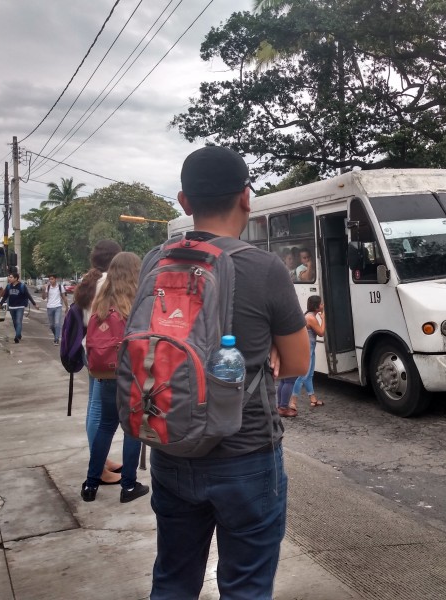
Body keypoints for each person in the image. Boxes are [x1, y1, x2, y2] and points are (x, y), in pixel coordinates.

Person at [148, 145, 309, 599]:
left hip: (170, 446)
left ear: (184, 202)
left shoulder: (154, 261)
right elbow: (296, 363)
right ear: (246, 197)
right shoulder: (263, 267)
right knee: (245, 587)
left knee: (173, 580)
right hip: (246, 452)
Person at [80, 251, 148, 504]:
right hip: (130, 374)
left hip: (105, 372)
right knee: (132, 429)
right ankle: (128, 486)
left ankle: (90, 484)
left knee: (106, 426)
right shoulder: (134, 301)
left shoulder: (100, 300)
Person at [74, 239, 123, 485]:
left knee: (94, 406)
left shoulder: (89, 280)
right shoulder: (107, 283)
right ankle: (99, 468)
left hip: (90, 348)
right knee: (98, 411)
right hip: (103, 350)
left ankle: (101, 460)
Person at [290, 295, 326, 409]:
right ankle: (293, 402)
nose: (322, 305)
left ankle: (313, 399)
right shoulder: (311, 318)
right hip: (306, 350)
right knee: (303, 376)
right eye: (321, 304)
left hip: (310, 348)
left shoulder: (309, 315)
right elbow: (321, 332)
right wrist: (324, 318)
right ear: (316, 307)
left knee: (309, 375)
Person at [0, 270, 38, 343]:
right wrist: (0, 304)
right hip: (11, 307)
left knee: (18, 321)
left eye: (11, 277)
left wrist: (34, 304)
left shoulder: (22, 286)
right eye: (9, 277)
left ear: (16, 278)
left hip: (20, 307)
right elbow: (5, 296)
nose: (9, 279)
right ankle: (19, 334)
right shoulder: (8, 286)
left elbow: (28, 295)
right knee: (14, 322)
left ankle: (16, 337)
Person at [42, 274, 68, 346]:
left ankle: (56, 339)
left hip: (58, 307)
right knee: (52, 325)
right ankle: (56, 335)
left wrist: (67, 307)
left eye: (52, 279)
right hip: (49, 307)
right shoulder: (48, 287)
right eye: (50, 279)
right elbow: (44, 298)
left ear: (55, 279)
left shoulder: (60, 287)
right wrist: (44, 290)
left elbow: (64, 297)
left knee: (57, 323)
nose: (51, 280)